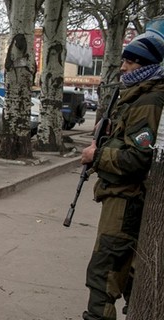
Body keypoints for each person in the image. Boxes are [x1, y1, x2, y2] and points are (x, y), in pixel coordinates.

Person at [80, 30, 164, 320]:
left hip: (127, 200)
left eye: (134, 62)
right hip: (120, 197)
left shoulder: (148, 101)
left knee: (104, 273)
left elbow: (138, 159)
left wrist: (97, 155)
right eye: (125, 60)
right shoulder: (135, 96)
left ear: (151, 65)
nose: (125, 67)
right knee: (126, 273)